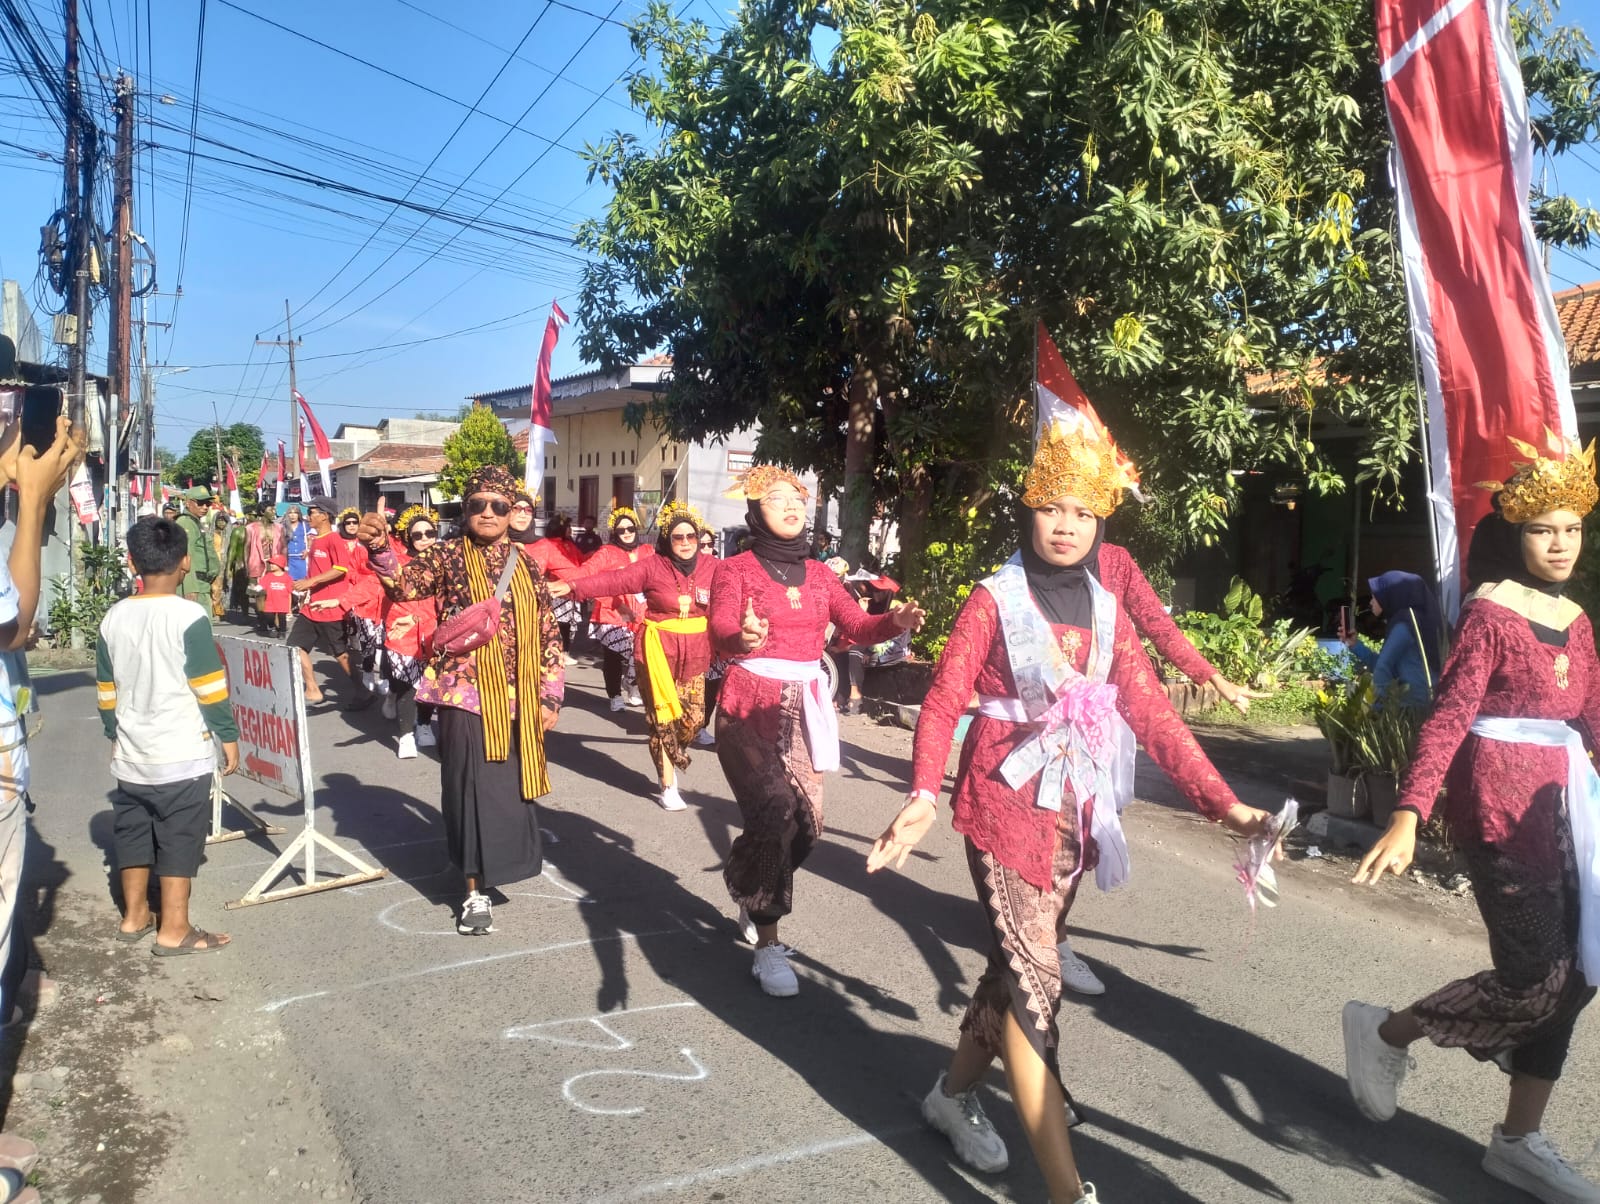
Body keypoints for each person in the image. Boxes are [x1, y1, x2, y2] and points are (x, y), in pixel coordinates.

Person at [866, 411, 1275, 1204]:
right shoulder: (994, 600)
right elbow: (945, 699)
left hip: (1075, 816)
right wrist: (922, 793)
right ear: (1028, 512)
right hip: (1001, 803)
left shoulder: (1107, 607)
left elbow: (1153, 715)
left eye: (1083, 512)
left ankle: (949, 1098)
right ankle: (1065, 1190)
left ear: (1100, 521)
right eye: (1052, 508)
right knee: (1035, 989)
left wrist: (1229, 808)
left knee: (1012, 975)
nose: (1065, 525)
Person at [1346, 436, 1600, 1204]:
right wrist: (1409, 811)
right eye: (1542, 529)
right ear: (1514, 533)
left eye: (1572, 528)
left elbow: (1592, 719)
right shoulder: (1490, 612)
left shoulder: (1578, 618)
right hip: (1495, 812)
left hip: (1568, 810)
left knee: (1580, 975)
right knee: (1535, 977)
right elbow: (1448, 718)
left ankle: (1518, 1141)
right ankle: (1388, 1032)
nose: (1560, 543)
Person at [708, 466, 926, 995]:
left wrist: (894, 623)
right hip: (748, 706)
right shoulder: (733, 569)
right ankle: (768, 944)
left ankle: (748, 880)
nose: (790, 508)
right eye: (777, 500)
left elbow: (856, 627)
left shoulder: (823, 575)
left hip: (804, 709)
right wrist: (743, 634)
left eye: (797, 501)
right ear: (756, 511)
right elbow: (719, 629)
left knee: (809, 825)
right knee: (775, 813)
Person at [359, 466, 564, 936]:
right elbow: (404, 587)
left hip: (518, 699)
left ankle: (503, 867)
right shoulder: (448, 555)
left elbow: (549, 633)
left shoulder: (528, 563)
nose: (488, 513)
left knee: (506, 792)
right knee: (468, 791)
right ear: (465, 510)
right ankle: (472, 892)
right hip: (463, 695)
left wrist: (550, 696)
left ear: (513, 512)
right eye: (478, 505)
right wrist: (378, 549)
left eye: (499, 505)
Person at [96, 516, 239, 956]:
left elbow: (106, 690)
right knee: (179, 837)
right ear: (182, 563)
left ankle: (134, 916)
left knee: (133, 832)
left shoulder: (114, 616)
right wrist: (227, 734)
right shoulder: (189, 615)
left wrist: (114, 733)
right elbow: (208, 683)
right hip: (180, 752)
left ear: (134, 562)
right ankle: (175, 928)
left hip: (132, 754)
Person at [552, 501, 715, 811]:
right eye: (678, 537)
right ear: (667, 539)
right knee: (661, 719)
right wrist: (572, 587)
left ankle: (673, 749)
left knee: (693, 721)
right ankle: (667, 784)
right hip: (655, 653)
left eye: (691, 537)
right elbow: (612, 581)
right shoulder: (653, 566)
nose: (685, 543)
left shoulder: (713, 568)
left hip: (695, 655)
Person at [288, 500, 371, 708]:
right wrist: (305, 588)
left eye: (312, 512)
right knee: (295, 647)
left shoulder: (334, 539)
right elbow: (316, 570)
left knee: (340, 654)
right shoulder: (315, 540)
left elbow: (341, 568)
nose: (308, 515)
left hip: (332, 608)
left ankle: (362, 692)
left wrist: (311, 582)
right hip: (312, 606)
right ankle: (313, 689)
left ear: (325, 515)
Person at [380, 506, 441, 760]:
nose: (425, 538)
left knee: (429, 683)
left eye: (430, 532)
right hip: (402, 633)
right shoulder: (397, 563)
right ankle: (405, 735)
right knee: (405, 684)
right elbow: (378, 574)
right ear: (408, 537)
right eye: (418, 534)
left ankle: (424, 724)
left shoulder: (444, 561)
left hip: (434, 633)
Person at [1338, 570, 1443, 708]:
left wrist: (1379, 710)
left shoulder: (1404, 625)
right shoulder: (1418, 621)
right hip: (1426, 702)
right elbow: (1387, 665)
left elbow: (1383, 667)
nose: (1371, 602)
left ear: (1392, 595)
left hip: (1412, 707)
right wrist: (1356, 645)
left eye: (1375, 596)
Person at [586, 507, 652, 711]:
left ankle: (632, 686)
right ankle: (614, 694)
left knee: (641, 655)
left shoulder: (647, 551)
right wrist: (619, 606)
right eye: (621, 530)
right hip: (611, 612)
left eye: (630, 529)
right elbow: (592, 578)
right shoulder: (606, 553)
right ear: (615, 532)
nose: (626, 533)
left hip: (641, 612)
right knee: (614, 655)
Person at [336, 507, 386, 699]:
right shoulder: (358, 549)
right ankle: (367, 673)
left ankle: (382, 676)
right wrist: (364, 583)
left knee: (384, 641)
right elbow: (350, 572)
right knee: (368, 640)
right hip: (364, 601)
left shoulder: (388, 548)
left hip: (384, 601)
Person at [527, 514, 584, 660]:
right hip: (556, 591)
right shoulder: (548, 545)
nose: (570, 530)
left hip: (570, 589)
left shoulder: (570, 544)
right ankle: (559, 652)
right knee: (558, 624)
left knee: (569, 625)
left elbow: (579, 562)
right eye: (568, 527)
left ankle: (565, 651)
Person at [174, 487, 221, 607]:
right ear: (188, 503)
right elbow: (184, 556)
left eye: (208, 503)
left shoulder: (195, 522)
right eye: (200, 503)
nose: (205, 507)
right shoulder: (186, 522)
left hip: (203, 585)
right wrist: (190, 588)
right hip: (195, 586)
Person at [258, 554, 293, 637]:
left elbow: (289, 592)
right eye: (270, 563)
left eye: (273, 563)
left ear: (280, 565)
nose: (271, 565)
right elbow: (261, 585)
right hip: (270, 602)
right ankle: (272, 627)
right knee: (269, 616)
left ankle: (282, 632)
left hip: (282, 603)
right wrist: (255, 589)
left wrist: (289, 608)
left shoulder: (287, 578)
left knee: (282, 619)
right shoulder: (268, 576)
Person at [281, 504, 310, 581]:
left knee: (302, 582)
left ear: (299, 514)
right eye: (290, 513)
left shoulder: (305, 525)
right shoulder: (283, 526)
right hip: (289, 559)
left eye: (295, 513)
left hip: (302, 558)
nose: (292, 515)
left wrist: (308, 550)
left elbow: (311, 539)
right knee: (289, 582)